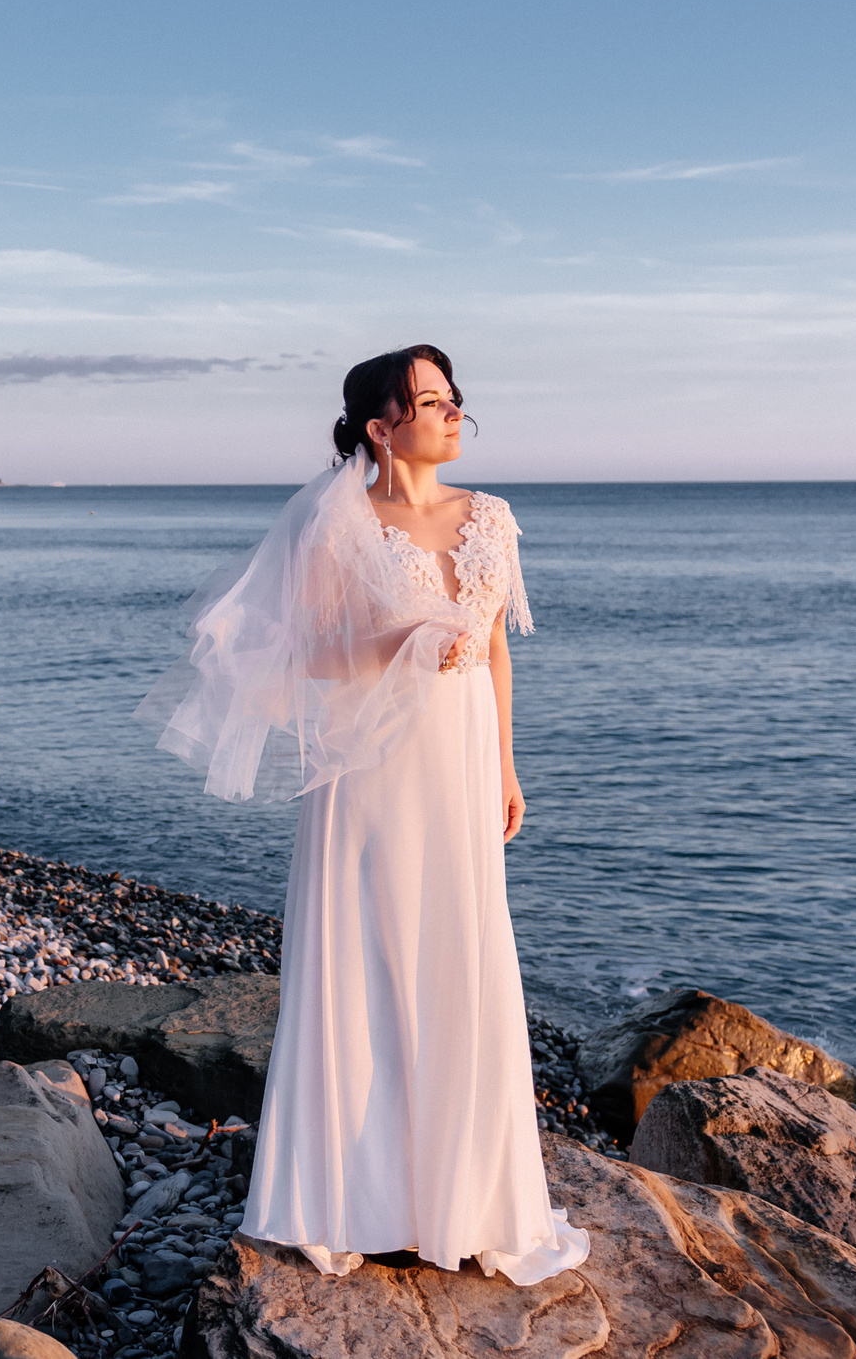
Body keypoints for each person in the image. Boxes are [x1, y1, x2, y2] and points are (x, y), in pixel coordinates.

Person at [137, 344, 590, 1282]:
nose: (453, 412)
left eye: (455, 397)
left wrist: (507, 768)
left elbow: (497, 651)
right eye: (430, 400)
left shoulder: (490, 518)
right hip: (370, 768)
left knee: (462, 951)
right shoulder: (338, 520)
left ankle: (466, 1199)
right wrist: (402, 634)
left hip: (461, 760)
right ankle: (355, 1194)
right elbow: (302, 655)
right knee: (367, 956)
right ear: (382, 428)